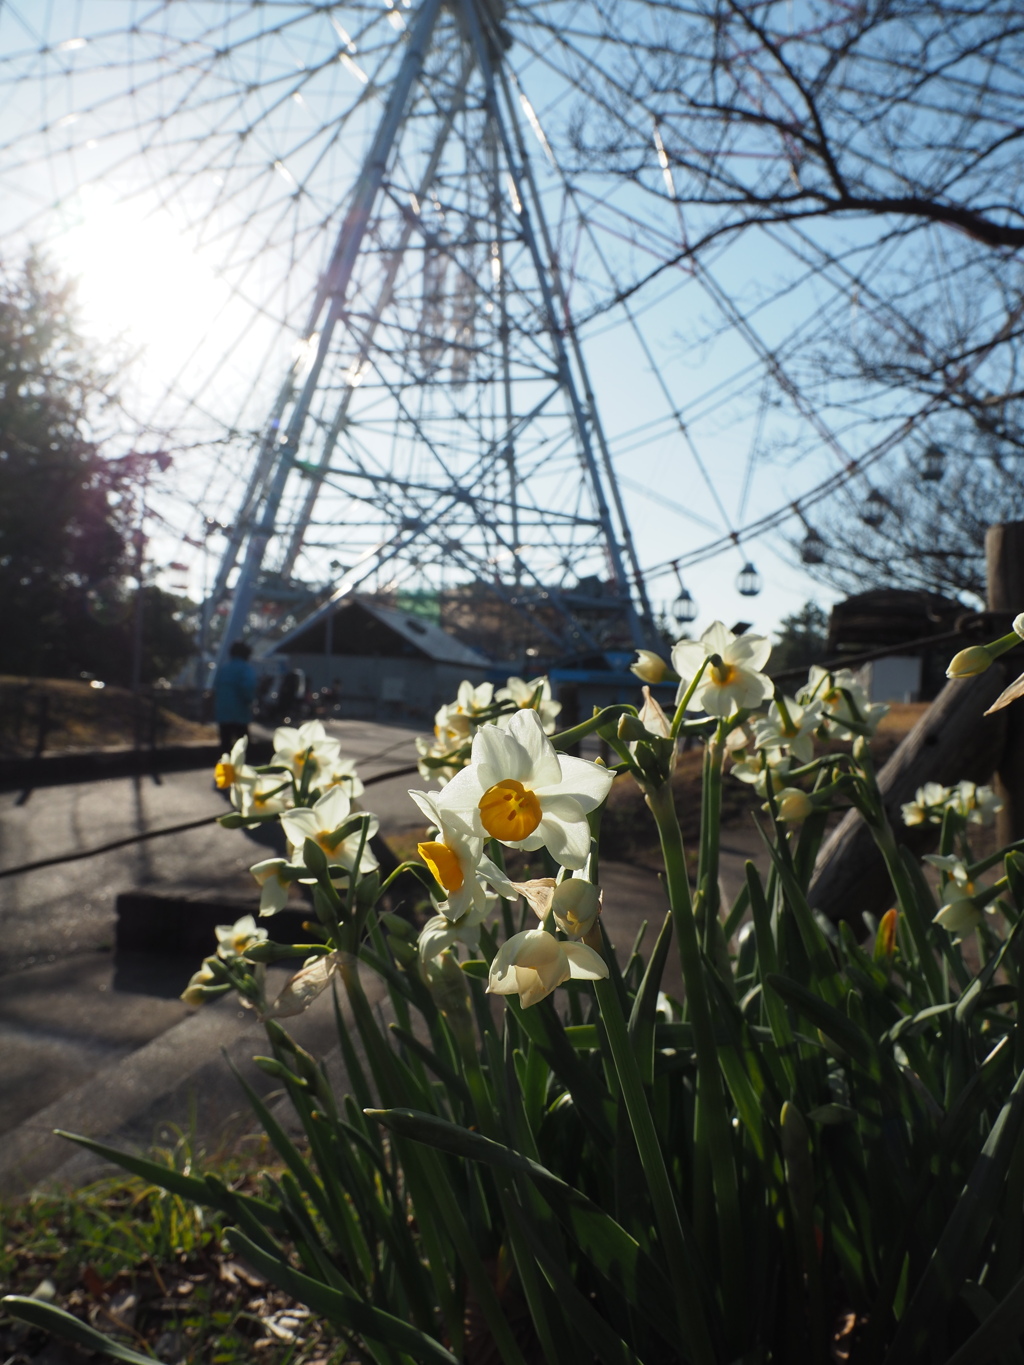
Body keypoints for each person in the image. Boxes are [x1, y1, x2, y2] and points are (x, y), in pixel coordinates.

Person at [214, 641, 257, 750]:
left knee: (225, 746)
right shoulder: (246, 669)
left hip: (223, 713)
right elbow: (248, 687)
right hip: (240, 714)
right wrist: (250, 701)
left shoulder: (224, 669)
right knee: (243, 747)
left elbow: (216, 688)